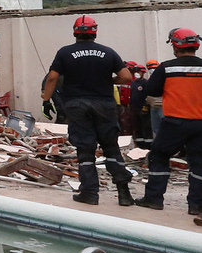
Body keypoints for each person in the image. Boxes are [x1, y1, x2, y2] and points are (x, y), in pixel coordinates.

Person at [136, 28, 202, 214]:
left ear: (175, 46)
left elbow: (152, 90)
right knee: (201, 163)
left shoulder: (167, 68)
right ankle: (197, 205)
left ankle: (153, 199)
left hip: (175, 122)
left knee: (159, 156)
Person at [39, 15, 134, 206]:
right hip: (104, 105)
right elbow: (126, 77)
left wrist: (46, 99)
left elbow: (52, 78)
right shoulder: (108, 52)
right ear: (95, 32)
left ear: (75, 32)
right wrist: (109, 81)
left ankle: (89, 193)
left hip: (77, 105)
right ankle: (124, 194)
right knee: (111, 148)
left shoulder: (65, 53)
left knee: (85, 150)